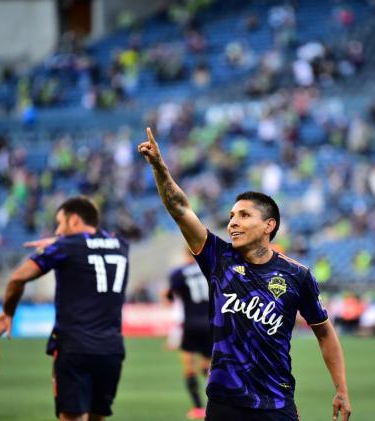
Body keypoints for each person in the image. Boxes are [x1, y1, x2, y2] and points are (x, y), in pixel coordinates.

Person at [138, 128, 352, 421]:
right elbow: (178, 207)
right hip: (225, 403)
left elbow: (324, 331)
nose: (232, 223)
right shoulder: (218, 258)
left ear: (269, 225)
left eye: (244, 215)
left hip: (276, 404)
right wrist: (160, 168)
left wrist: (341, 388)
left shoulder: (297, 275)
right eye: (231, 217)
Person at [0, 196, 129, 421]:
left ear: (75, 220)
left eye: (60, 223)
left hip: (74, 349)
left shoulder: (64, 247)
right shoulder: (121, 244)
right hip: (111, 350)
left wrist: (8, 312)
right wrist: (61, 243)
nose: (57, 231)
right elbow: (94, 242)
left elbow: (17, 279)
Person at [164, 250, 213, 419]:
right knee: (208, 369)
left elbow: (171, 297)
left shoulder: (179, 273)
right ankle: (216, 403)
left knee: (189, 367)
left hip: (190, 324)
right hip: (210, 323)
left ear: (186, 254)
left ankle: (198, 408)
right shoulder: (210, 268)